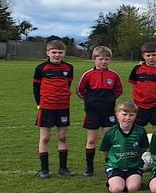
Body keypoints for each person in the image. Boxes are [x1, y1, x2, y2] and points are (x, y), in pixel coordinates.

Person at [76, 45, 122, 178]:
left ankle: (110, 165)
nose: (103, 62)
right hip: (92, 113)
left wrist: (109, 100)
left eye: (106, 59)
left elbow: (119, 90)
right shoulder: (88, 75)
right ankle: (89, 167)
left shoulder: (113, 75)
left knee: (108, 140)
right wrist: (90, 100)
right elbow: (80, 90)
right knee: (91, 140)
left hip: (108, 112)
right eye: (100, 59)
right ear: (94, 60)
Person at [34, 39, 75, 179]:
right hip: (46, 107)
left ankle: (63, 168)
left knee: (62, 137)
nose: (57, 55)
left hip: (63, 107)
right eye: (54, 52)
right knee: (45, 138)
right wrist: (39, 104)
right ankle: (44, 169)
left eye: (60, 52)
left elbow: (67, 84)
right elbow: (36, 88)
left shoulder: (68, 68)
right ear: (48, 53)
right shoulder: (41, 68)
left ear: (64, 53)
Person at [100, 101, 148, 193]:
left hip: (134, 166)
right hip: (115, 166)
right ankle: (114, 180)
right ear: (117, 115)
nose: (127, 118)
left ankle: (133, 180)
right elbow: (105, 151)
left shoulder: (140, 131)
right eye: (124, 114)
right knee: (117, 189)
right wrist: (115, 159)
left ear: (135, 116)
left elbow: (143, 148)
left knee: (133, 188)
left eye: (131, 115)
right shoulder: (110, 133)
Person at [128, 42, 156, 132]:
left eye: (154, 55)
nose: (151, 57)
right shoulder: (137, 69)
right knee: (137, 131)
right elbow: (133, 84)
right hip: (139, 106)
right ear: (143, 56)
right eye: (148, 55)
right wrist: (138, 98)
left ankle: (155, 146)